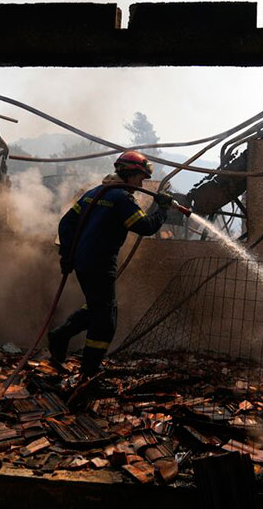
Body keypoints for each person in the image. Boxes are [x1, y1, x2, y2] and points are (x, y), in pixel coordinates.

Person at [50, 150, 173, 376]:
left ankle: (61, 335)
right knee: (105, 319)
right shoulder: (122, 198)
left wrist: (67, 254)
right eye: (140, 178)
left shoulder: (95, 193)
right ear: (129, 174)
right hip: (101, 264)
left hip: (83, 262)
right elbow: (145, 227)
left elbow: (66, 223)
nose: (141, 184)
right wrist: (162, 210)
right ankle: (89, 371)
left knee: (97, 306)